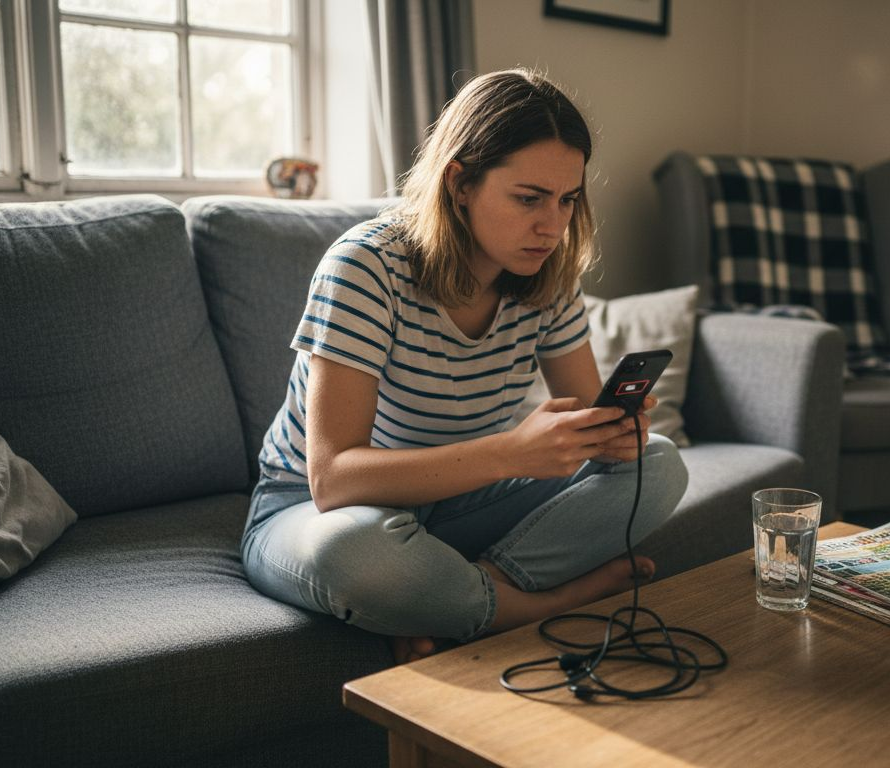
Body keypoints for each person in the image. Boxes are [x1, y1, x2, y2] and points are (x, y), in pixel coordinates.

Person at [241, 68, 689, 663]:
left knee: (658, 462)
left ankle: (454, 597)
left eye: (567, 200)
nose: (552, 227)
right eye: (529, 198)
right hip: (313, 510)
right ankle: (537, 606)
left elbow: (588, 425)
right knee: (356, 555)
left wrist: (609, 433)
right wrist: (511, 452)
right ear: (460, 184)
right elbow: (333, 480)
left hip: (460, 504)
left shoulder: (548, 278)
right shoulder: (365, 268)